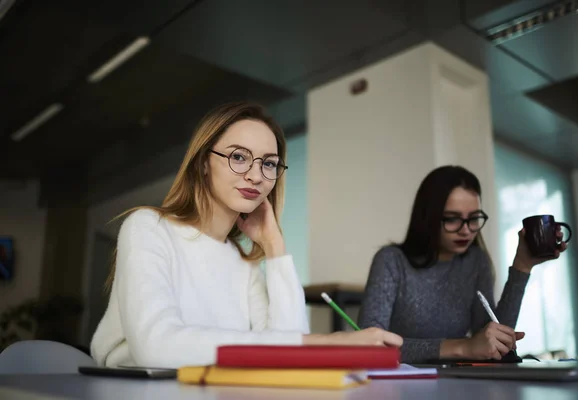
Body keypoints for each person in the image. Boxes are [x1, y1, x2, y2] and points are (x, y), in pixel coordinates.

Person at [91, 101, 403, 368]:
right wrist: (326, 342)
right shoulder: (148, 227)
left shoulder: (243, 263)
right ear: (202, 163)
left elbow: (286, 350)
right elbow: (156, 348)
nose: (255, 175)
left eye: (269, 163)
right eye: (238, 157)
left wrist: (274, 246)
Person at [357, 165, 567, 364]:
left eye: (474, 218)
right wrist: (462, 347)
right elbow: (370, 346)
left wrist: (522, 266)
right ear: (428, 218)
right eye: (452, 219)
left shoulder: (475, 261)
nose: (466, 230)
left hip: (457, 381)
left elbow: (496, 343)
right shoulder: (391, 261)